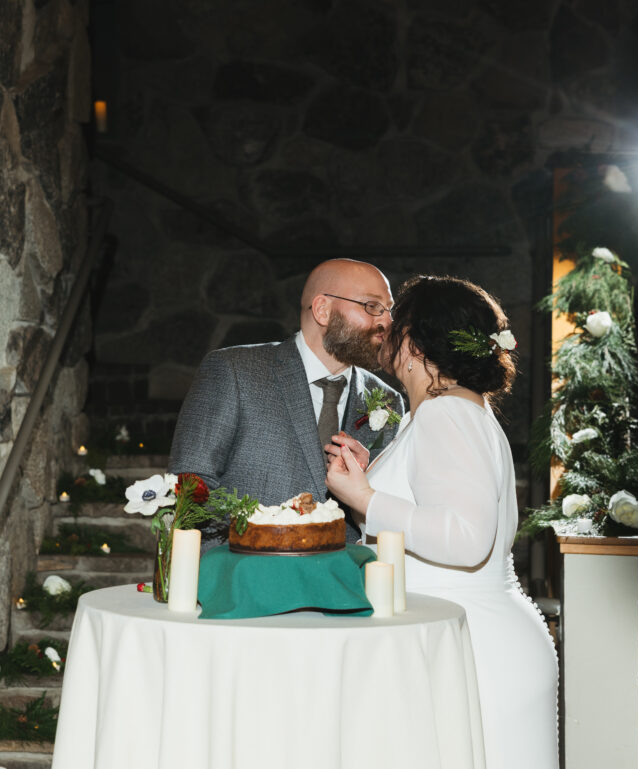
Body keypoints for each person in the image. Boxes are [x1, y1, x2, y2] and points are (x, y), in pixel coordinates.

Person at [326, 275, 559, 769]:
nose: (383, 333)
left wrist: (366, 497)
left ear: (412, 342)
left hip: (471, 649)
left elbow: (466, 538)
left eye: (394, 325)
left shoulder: (446, 414)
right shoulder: (455, 410)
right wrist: (371, 481)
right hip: (464, 639)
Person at [169, 258, 404, 547]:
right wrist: (225, 572)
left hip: (340, 579)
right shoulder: (235, 371)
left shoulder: (389, 402)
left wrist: (367, 482)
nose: (386, 322)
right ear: (323, 310)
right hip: (243, 574)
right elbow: (192, 484)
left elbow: (383, 509)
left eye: (389, 311)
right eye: (372, 306)